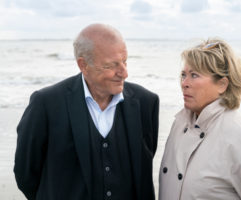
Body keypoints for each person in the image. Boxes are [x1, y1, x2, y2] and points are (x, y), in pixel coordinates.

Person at [14, 23, 159, 200]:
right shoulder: (46, 104)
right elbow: (26, 173)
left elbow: (144, 166)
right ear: (83, 65)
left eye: (124, 61)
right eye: (111, 65)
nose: (124, 73)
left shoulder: (146, 103)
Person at [159, 38, 241, 200]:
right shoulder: (179, 124)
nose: (184, 83)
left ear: (222, 84)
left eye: (194, 75)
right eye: (183, 75)